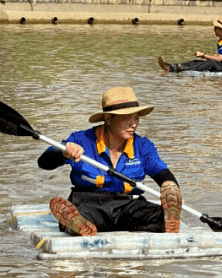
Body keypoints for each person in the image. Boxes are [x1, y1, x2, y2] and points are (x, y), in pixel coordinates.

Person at [37, 87, 183, 237]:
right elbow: (44, 163)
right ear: (108, 118)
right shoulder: (81, 140)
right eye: (126, 118)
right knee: (82, 215)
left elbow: (163, 174)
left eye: (136, 117)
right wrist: (64, 153)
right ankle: (74, 222)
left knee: (155, 214)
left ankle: (165, 221)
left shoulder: (143, 146)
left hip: (127, 206)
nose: (134, 124)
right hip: (89, 205)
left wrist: (169, 185)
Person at [158, 18, 222, 74]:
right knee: (196, 62)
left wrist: (203, 55)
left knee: (210, 63)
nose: (214, 30)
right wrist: (203, 56)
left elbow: (219, 59)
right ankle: (172, 66)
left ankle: (174, 69)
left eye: (216, 28)